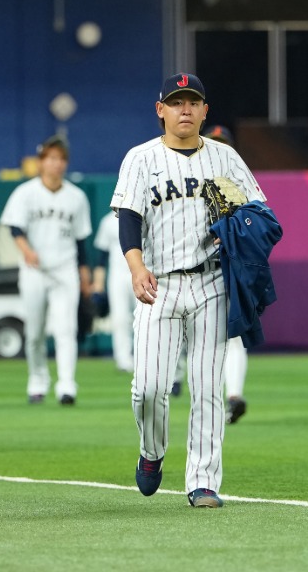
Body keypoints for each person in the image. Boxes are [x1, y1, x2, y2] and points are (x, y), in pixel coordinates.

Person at [111, 73, 266, 508]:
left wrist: (239, 226)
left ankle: (203, 482)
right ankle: (151, 451)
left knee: (207, 387)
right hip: (159, 282)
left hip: (212, 280)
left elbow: (258, 212)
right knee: (149, 389)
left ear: (204, 110)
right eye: (176, 102)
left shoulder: (225, 157)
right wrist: (136, 266)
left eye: (193, 102)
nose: (185, 109)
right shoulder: (141, 158)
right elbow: (128, 218)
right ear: (160, 110)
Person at [0, 135, 92, 406]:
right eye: (51, 158)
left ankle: (67, 386)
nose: (57, 163)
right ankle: (37, 381)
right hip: (35, 270)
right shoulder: (25, 193)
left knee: (66, 329)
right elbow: (15, 228)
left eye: (61, 159)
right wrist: (26, 250)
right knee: (35, 332)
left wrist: (84, 273)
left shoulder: (76, 197)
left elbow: (80, 240)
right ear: (41, 162)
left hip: (65, 269)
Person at [169, 125, 248, 424]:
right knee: (187, 334)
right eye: (213, 142)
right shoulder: (184, 178)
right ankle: (180, 381)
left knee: (232, 336)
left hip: (225, 267)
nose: (217, 147)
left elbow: (257, 223)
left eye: (222, 143)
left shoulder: (237, 181)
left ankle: (233, 396)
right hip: (184, 270)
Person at [91, 211, 135, 374]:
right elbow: (101, 256)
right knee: (120, 318)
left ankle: (143, 357)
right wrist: (98, 285)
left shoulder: (142, 215)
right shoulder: (108, 221)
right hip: (118, 275)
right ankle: (123, 360)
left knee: (144, 317)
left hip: (141, 271)